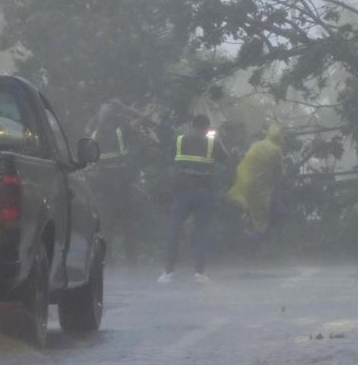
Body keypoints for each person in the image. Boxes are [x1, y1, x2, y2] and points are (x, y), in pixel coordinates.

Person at [159, 114, 229, 284]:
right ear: (207, 128)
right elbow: (226, 159)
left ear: (192, 126)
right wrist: (217, 138)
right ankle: (199, 273)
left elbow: (168, 164)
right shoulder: (212, 143)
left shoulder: (179, 140)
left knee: (174, 231)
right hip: (203, 192)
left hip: (182, 192)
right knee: (201, 233)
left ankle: (168, 272)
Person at [86, 99, 148, 264]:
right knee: (127, 223)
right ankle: (131, 259)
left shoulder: (93, 134)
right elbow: (143, 117)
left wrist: (98, 113)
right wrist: (124, 106)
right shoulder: (121, 132)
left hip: (105, 188)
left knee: (107, 225)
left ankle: (108, 259)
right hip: (121, 186)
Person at [227, 124, 285, 244]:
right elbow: (279, 171)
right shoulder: (276, 150)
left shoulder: (256, 144)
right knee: (261, 214)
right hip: (259, 185)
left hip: (242, 178)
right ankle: (256, 241)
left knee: (243, 203)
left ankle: (238, 230)